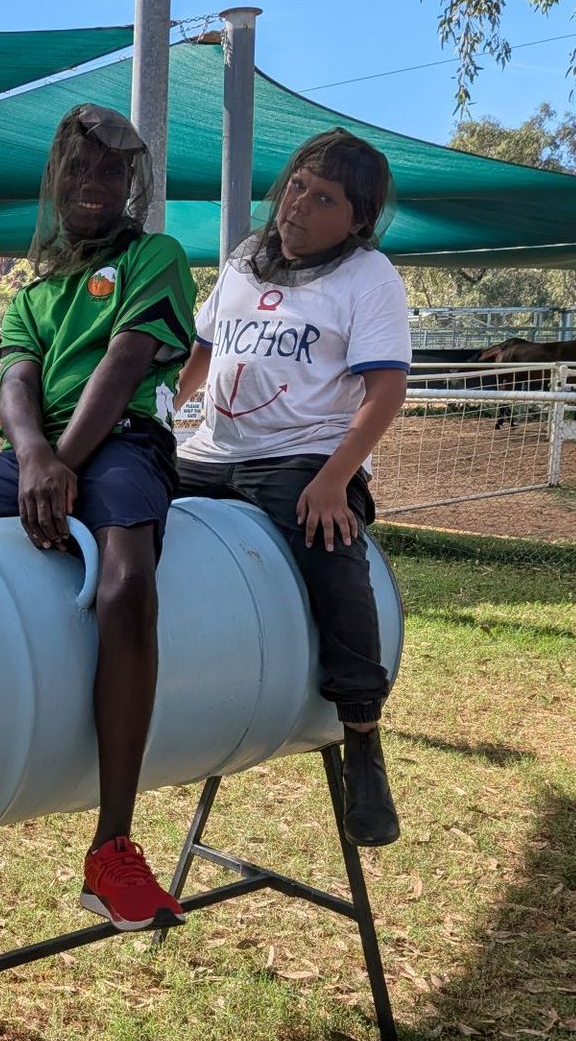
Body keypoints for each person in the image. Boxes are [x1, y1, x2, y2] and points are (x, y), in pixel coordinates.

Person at [0, 103, 195, 932]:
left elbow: (122, 369)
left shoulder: (157, 256)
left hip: (121, 445)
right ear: (56, 181)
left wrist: (61, 463)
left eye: (111, 171)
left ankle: (112, 846)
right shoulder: (34, 289)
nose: (93, 185)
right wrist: (35, 458)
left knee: (123, 587)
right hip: (40, 452)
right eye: (78, 170)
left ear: (131, 184)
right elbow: (15, 383)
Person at [171, 128, 409, 846]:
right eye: (299, 184)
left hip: (300, 456)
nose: (299, 204)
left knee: (333, 550)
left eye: (325, 197)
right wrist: (155, 416)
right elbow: (203, 352)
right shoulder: (246, 258)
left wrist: (337, 479)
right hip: (211, 450)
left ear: (357, 218)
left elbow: (386, 391)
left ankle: (362, 733)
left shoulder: (370, 277)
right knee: (119, 495)